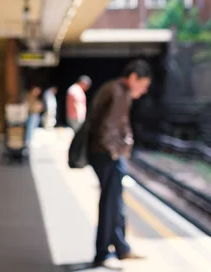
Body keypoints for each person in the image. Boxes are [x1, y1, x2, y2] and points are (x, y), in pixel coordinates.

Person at [87, 60, 152, 270]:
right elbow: (110, 127)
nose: (143, 91)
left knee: (115, 202)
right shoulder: (118, 92)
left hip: (104, 153)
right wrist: (116, 153)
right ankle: (103, 254)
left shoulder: (115, 89)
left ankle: (121, 248)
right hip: (106, 154)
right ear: (133, 77)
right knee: (110, 203)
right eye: (143, 85)